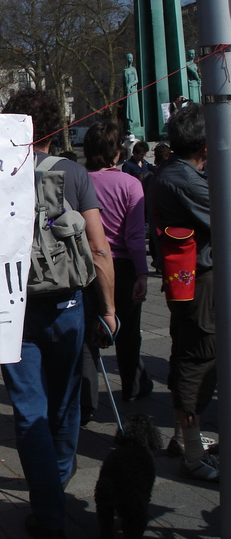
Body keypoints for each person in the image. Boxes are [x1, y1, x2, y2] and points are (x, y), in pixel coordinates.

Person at [0, 89, 116, 539]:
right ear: (54, 128)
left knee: (30, 410)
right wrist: (107, 307)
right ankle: (59, 481)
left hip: (16, 307)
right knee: (66, 399)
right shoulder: (75, 174)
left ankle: (48, 514)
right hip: (67, 305)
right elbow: (100, 249)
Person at [148, 103, 218, 482]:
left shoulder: (172, 172)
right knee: (199, 357)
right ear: (205, 144)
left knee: (189, 352)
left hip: (190, 280)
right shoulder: (186, 180)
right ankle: (192, 454)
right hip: (200, 280)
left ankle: (183, 438)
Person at [81, 121, 152, 423]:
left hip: (87, 265)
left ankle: (87, 398)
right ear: (116, 152)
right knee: (128, 331)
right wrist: (142, 273)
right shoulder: (130, 184)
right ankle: (133, 387)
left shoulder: (80, 181)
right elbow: (136, 236)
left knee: (87, 337)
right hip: (122, 264)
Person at [123, 53, 140, 133]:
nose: (131, 60)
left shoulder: (133, 69)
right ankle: (129, 124)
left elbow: (136, 80)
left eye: (132, 58)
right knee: (128, 108)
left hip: (133, 91)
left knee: (132, 108)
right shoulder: (125, 70)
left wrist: (130, 84)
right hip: (127, 91)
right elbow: (123, 81)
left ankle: (133, 124)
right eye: (129, 58)